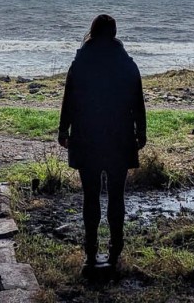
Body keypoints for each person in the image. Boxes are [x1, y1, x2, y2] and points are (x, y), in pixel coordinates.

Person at [58, 14, 147, 269]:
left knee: (90, 197)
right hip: (119, 137)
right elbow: (138, 102)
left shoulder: (81, 61)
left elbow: (69, 101)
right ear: (115, 32)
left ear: (93, 32)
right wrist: (141, 133)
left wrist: (64, 130)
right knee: (117, 197)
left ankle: (90, 254)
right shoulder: (126, 63)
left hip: (87, 136)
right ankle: (115, 252)